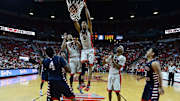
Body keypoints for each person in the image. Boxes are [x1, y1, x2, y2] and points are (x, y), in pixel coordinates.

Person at [73, 2, 94, 91]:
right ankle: (81, 83)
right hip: (84, 50)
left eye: (85, 23)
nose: (84, 24)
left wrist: (85, 8)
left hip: (90, 50)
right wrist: (74, 13)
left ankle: (88, 84)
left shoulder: (89, 30)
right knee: (82, 68)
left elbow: (89, 19)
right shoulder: (80, 31)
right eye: (82, 24)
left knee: (90, 67)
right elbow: (75, 21)